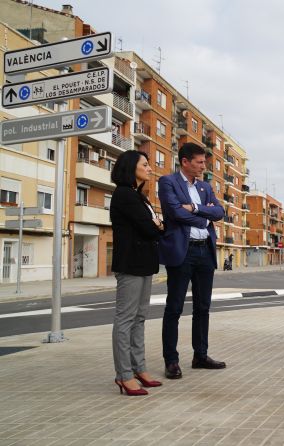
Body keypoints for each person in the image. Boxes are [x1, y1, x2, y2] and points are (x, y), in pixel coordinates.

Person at [158, 142, 226, 379]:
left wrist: (195, 208)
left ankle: (200, 355)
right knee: (174, 308)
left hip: (205, 251)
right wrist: (204, 218)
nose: (203, 166)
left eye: (204, 162)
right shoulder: (167, 182)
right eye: (199, 162)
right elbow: (175, 212)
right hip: (182, 252)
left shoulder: (206, 187)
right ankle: (171, 361)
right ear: (185, 162)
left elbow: (220, 212)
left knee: (203, 307)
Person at [110, 150, 164, 396]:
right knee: (125, 319)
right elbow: (150, 229)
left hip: (144, 264)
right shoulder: (124, 195)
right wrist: (157, 226)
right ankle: (124, 375)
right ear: (132, 167)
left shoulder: (139, 196)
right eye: (145, 164)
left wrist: (156, 226)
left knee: (140, 318)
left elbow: (153, 227)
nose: (150, 168)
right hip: (130, 264)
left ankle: (139, 368)